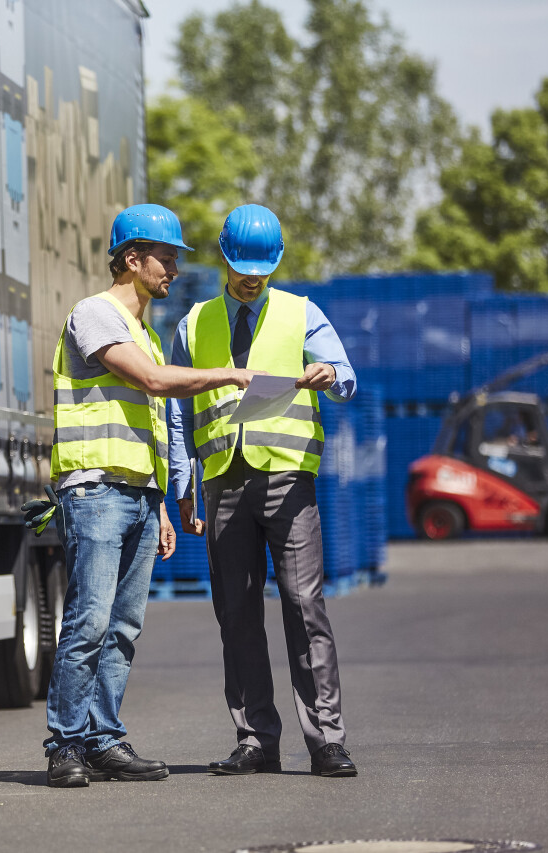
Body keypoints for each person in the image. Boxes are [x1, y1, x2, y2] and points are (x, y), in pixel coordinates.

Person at [44, 203, 257, 788]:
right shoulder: (95, 315)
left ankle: (103, 739)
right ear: (132, 260)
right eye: (165, 257)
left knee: (123, 627)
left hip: (136, 495)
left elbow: (153, 426)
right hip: (94, 493)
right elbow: (155, 384)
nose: (172, 268)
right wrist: (228, 374)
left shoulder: (144, 331)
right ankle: (65, 744)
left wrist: (161, 502)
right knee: (88, 620)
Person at [166, 204, 359, 778]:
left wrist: (331, 376)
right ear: (223, 258)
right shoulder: (193, 323)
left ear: (275, 264)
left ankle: (326, 741)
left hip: (287, 480)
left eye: (262, 268)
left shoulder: (303, 314)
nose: (252, 278)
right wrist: (183, 482)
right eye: (242, 266)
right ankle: (256, 739)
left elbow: (346, 377)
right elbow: (178, 410)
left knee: (304, 607)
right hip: (223, 481)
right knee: (237, 612)